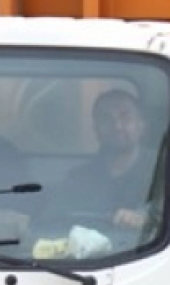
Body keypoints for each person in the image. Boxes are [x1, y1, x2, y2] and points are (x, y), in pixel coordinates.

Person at [65, 86, 162, 232]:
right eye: (106, 119)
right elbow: (53, 222)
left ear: (141, 126)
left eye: (125, 117)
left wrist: (145, 219)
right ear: (95, 129)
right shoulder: (77, 178)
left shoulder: (164, 169)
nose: (117, 126)